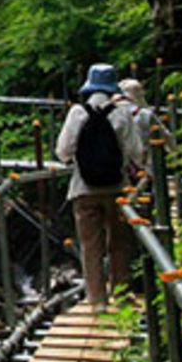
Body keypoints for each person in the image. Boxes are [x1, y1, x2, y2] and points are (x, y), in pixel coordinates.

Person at [55, 63, 146, 310]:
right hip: (117, 188)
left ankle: (97, 299)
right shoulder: (121, 114)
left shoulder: (77, 113)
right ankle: (121, 293)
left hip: (83, 189)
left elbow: (63, 151)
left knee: (90, 246)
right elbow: (137, 152)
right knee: (119, 243)